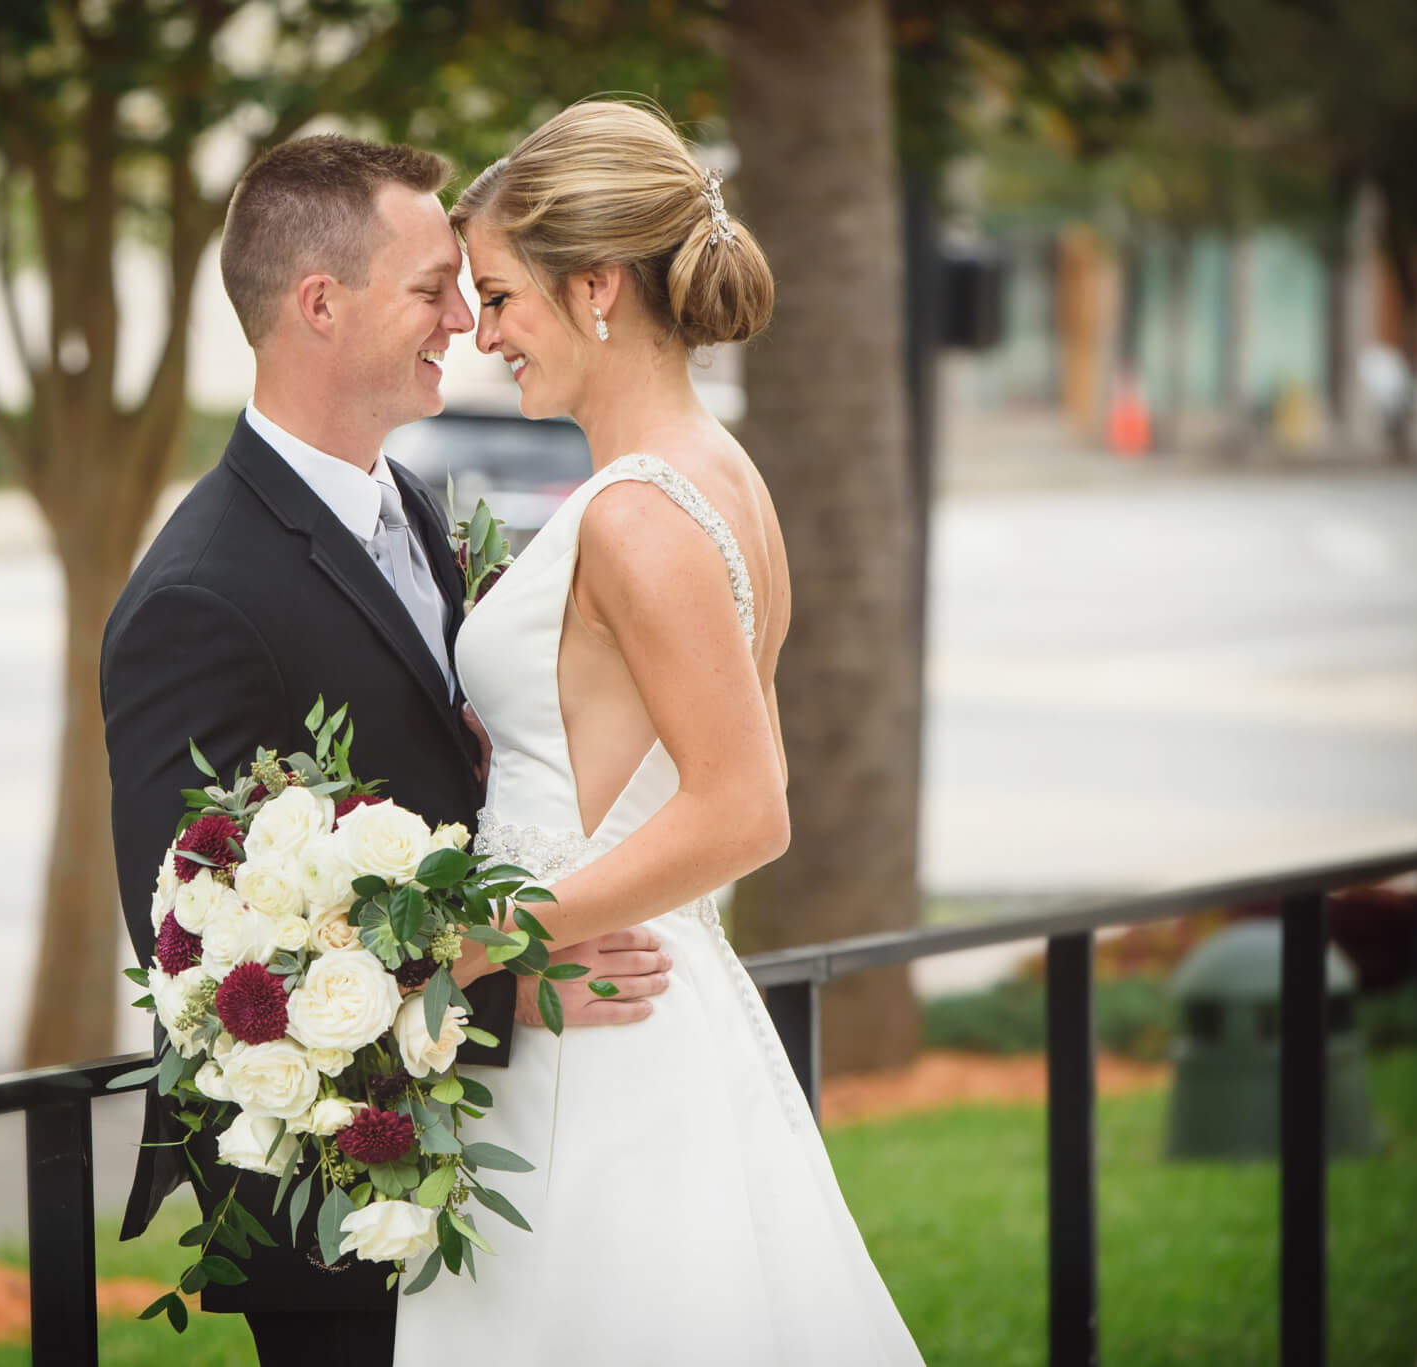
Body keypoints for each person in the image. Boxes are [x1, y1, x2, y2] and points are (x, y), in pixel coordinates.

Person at [101, 133, 676, 1367]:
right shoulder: (196, 599)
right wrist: (509, 990)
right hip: (339, 1208)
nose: (464, 320)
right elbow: (202, 963)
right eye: (432, 289)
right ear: (320, 304)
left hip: (477, 1163)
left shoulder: (405, 501)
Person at [392, 100, 925, 1363]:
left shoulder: (642, 511)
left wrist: (476, 943)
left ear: (594, 288)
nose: (482, 331)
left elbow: (743, 805)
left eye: (498, 295)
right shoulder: (717, 472)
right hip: (631, 997)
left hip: (596, 1037)